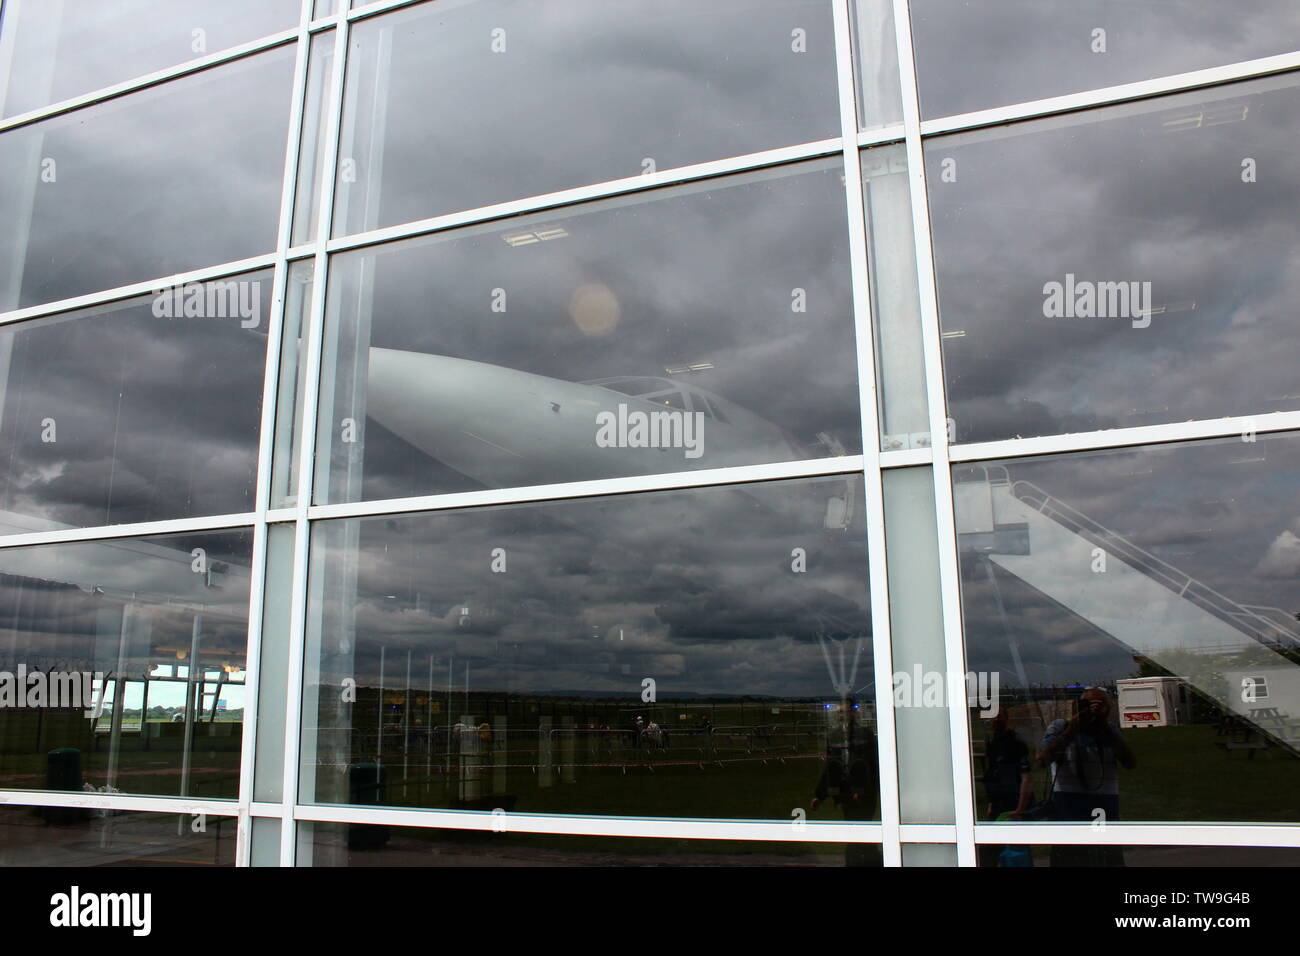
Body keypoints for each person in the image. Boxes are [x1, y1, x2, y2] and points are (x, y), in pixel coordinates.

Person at [1037, 687, 1136, 866]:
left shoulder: (1110, 730)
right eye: (1088, 705)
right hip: (1067, 805)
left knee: (1108, 858)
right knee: (1067, 858)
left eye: (1099, 706)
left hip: (1104, 807)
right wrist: (1071, 730)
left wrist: (1104, 726)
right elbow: (1042, 759)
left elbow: (1130, 763)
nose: (1093, 710)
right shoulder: (1061, 726)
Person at [979, 710, 1032, 867]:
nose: (995, 720)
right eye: (993, 717)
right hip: (996, 805)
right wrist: (990, 805)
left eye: (999, 716)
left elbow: (1026, 777)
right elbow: (992, 773)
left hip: (1012, 805)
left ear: (1006, 718)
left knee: (1015, 854)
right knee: (988, 852)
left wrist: (1020, 809)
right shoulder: (993, 743)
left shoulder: (1016, 743)